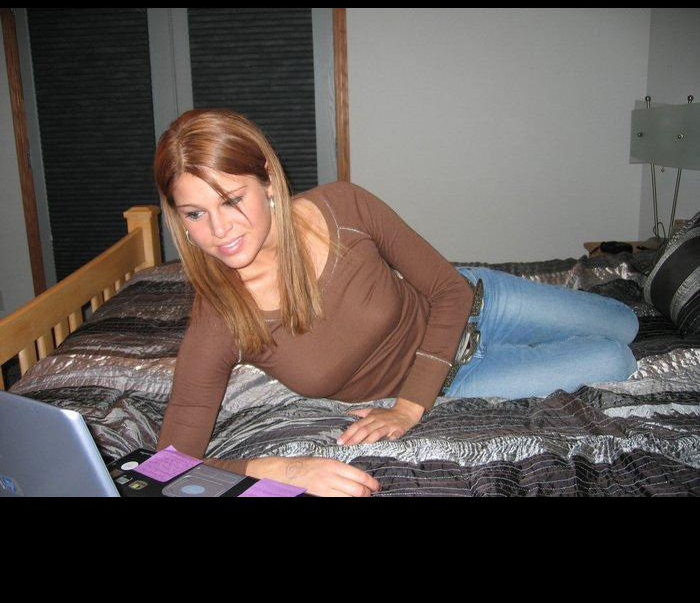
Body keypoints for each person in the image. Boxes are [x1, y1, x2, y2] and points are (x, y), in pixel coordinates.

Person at [153, 108, 639, 497]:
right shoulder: (221, 318)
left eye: (232, 200)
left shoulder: (343, 206)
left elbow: (448, 289)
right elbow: (167, 467)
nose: (219, 230)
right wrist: (280, 469)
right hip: (460, 379)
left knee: (626, 324)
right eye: (195, 214)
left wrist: (408, 407)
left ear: (266, 180)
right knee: (614, 360)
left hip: (476, 305)